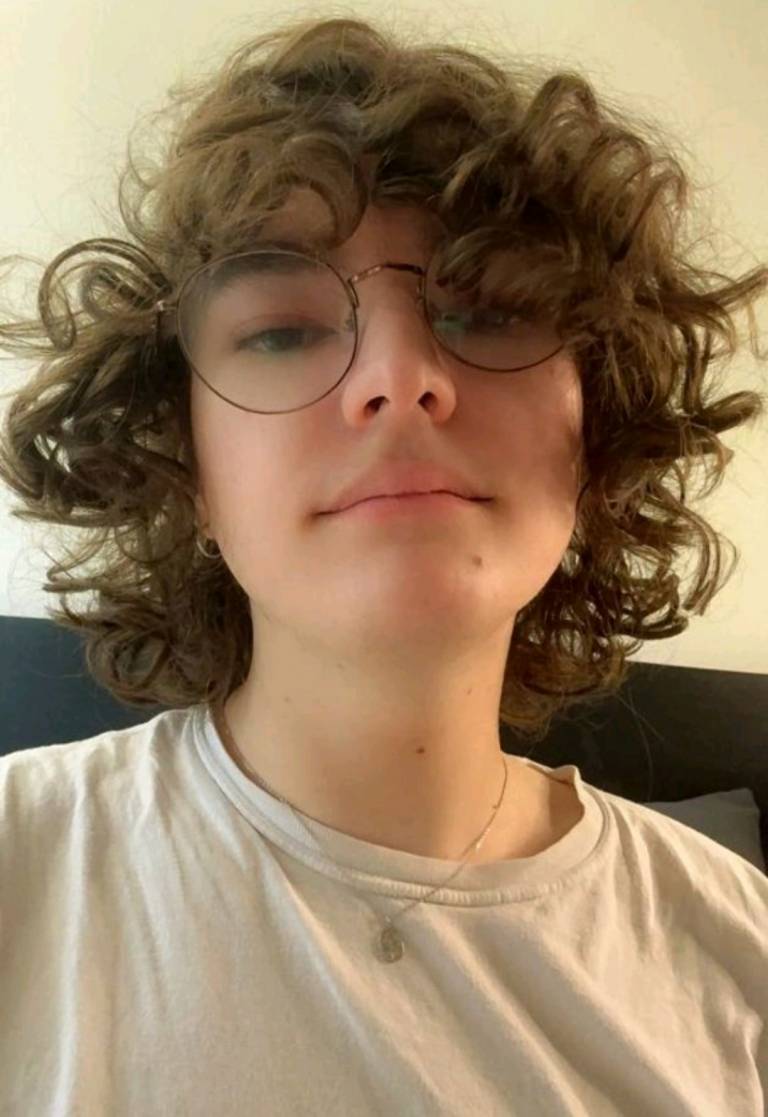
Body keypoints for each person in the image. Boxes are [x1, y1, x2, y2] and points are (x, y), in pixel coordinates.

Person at [1, 14, 766, 1116]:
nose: (401, 377)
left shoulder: (738, 950)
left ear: (595, 437)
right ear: (187, 464)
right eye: (282, 330)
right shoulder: (20, 866)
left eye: (487, 311)